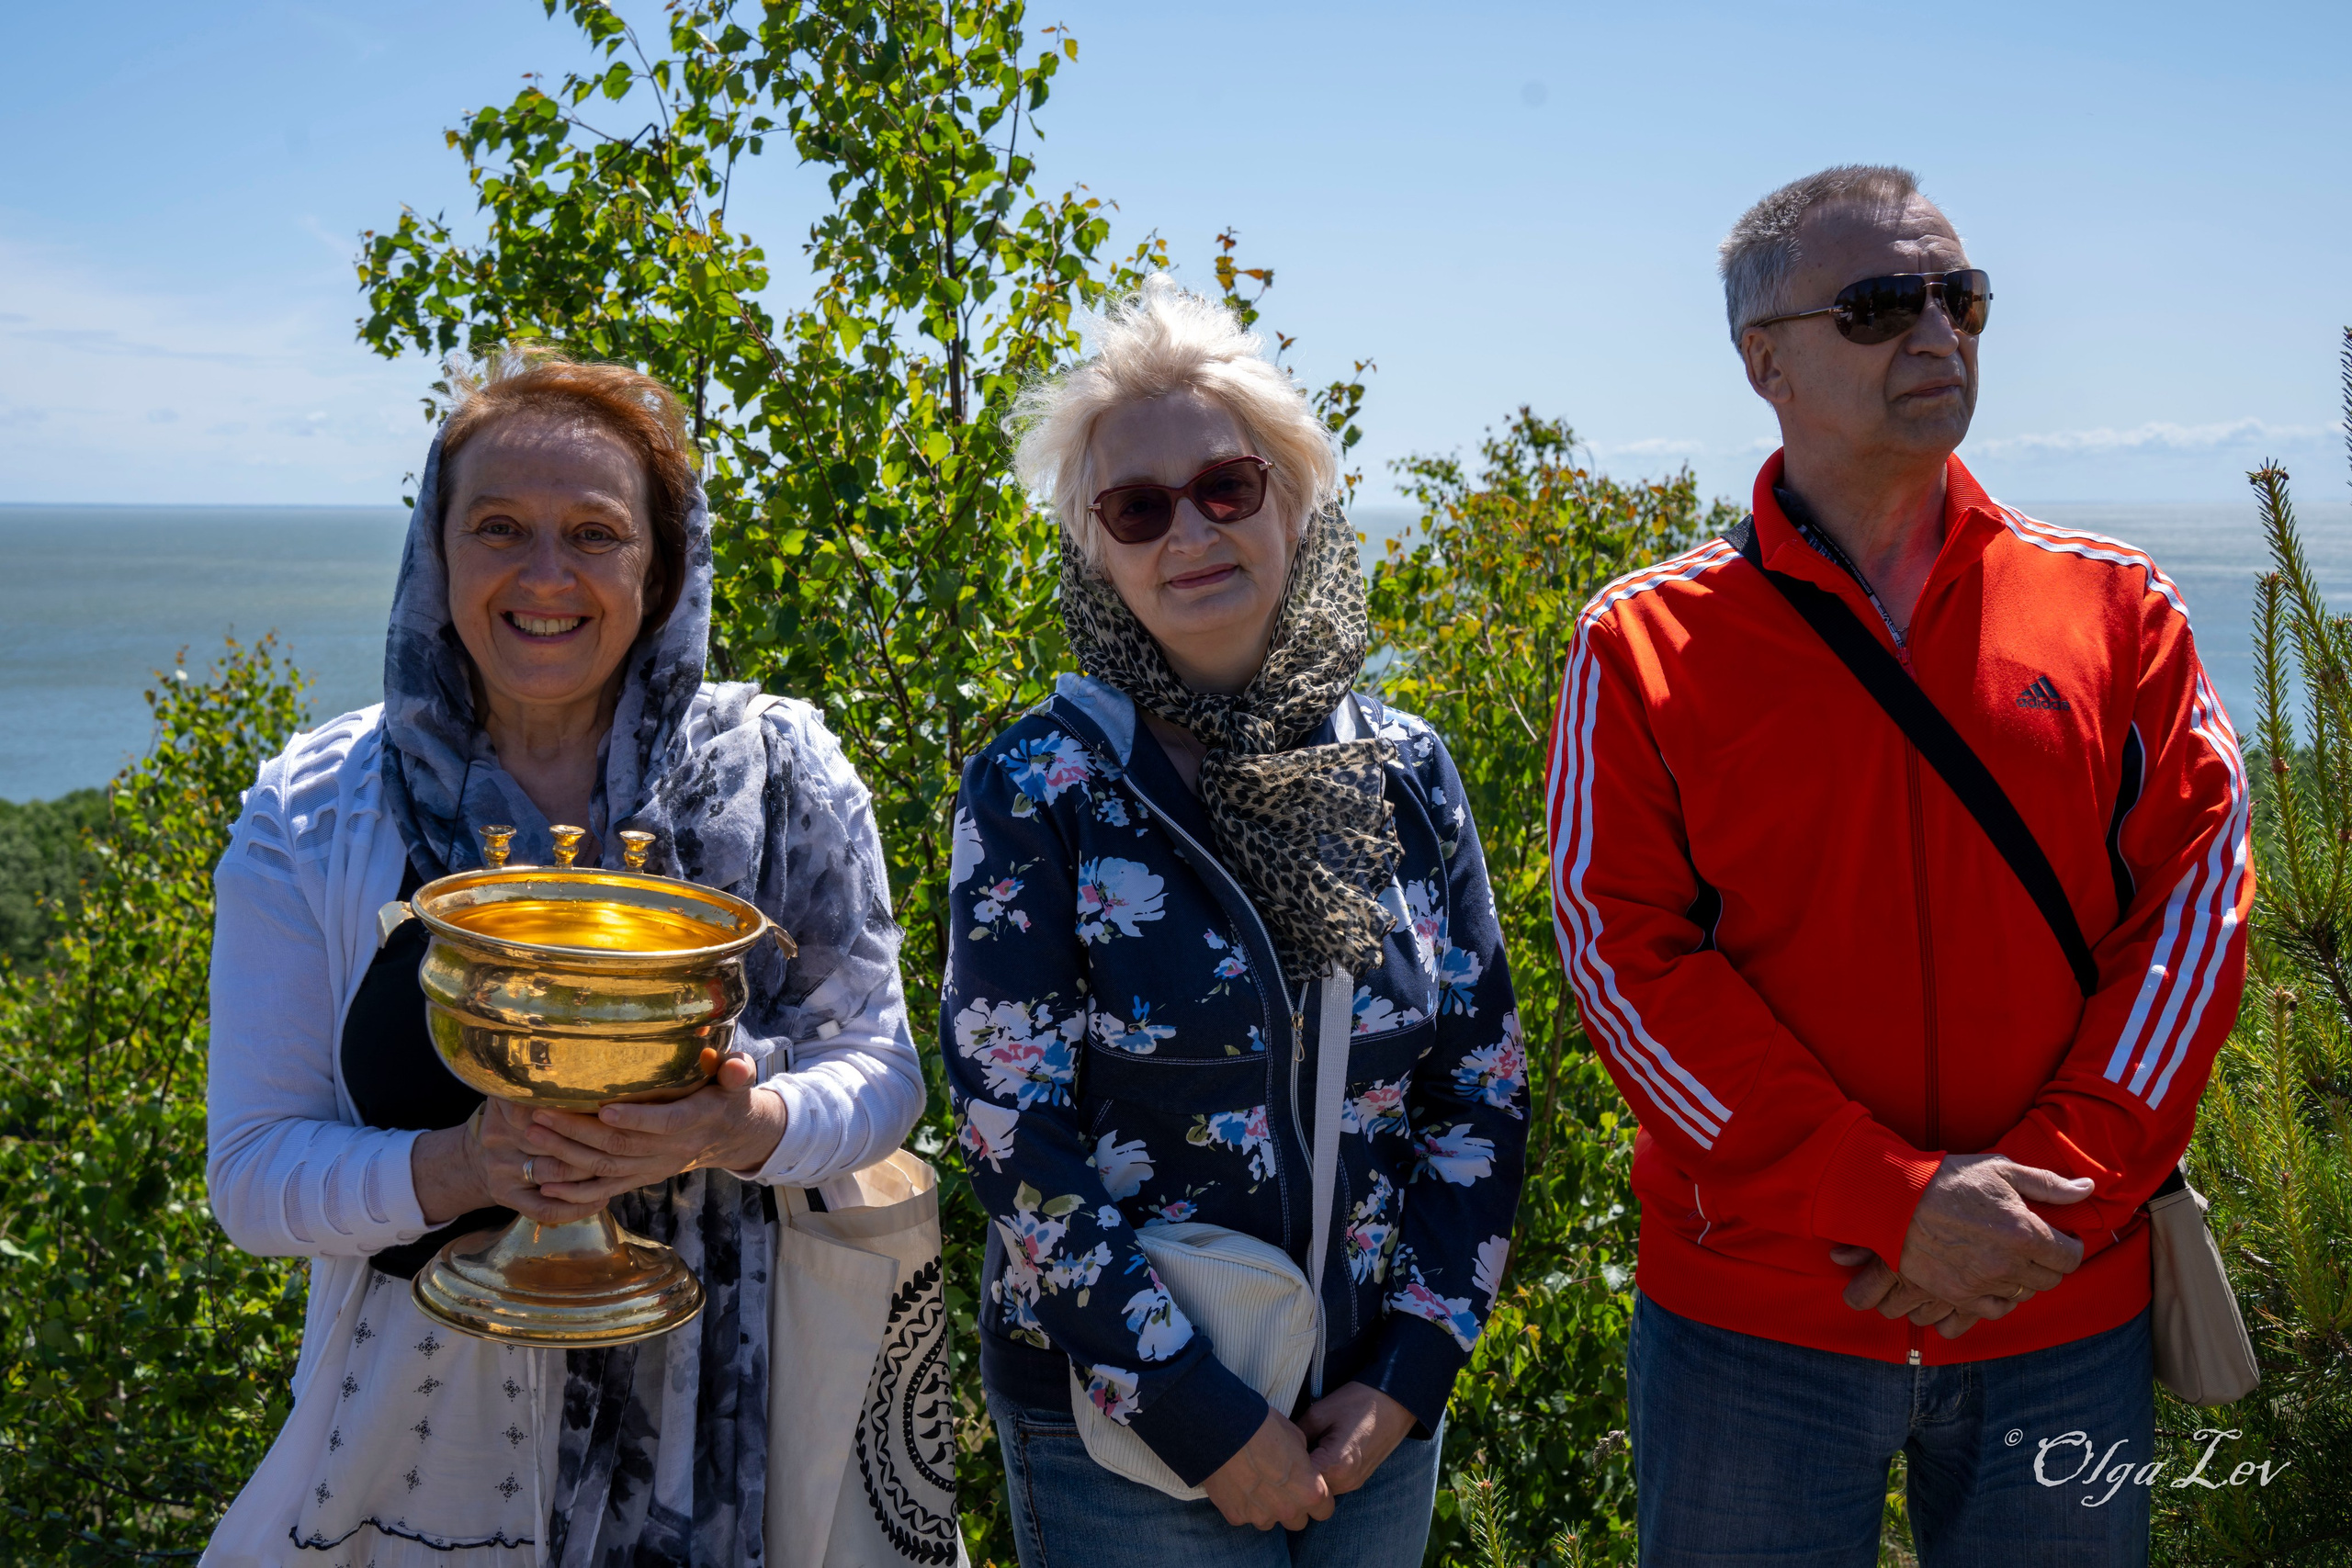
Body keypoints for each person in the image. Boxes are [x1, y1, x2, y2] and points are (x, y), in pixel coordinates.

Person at [1546, 164, 2251, 1565]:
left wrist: (2039, 1201)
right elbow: (1626, 963)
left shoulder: (2117, 611)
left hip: (2060, 1298)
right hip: (1758, 1325)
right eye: (1880, 305)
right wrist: (1894, 1199)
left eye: (1961, 298)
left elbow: (2194, 917)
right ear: (1767, 365)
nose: (1938, 335)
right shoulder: (1642, 645)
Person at [201, 349, 924, 1567]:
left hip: (737, 1405)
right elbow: (255, 1176)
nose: (547, 576)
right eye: (499, 528)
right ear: (439, 551)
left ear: (663, 565)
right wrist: (469, 1166)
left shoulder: (788, 777)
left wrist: (736, 1129)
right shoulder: (319, 807)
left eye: (594, 532)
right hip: (420, 1434)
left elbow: (884, 1072)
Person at [944, 276, 1528, 1565]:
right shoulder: (1043, 787)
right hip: (1121, 1428)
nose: (1189, 533)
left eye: (1227, 486)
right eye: (1137, 508)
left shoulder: (1405, 771)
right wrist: (1200, 1419)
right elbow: (1011, 1131)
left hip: (1366, 1410)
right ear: (1093, 550)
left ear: (1298, 496)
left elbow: (1478, 1092)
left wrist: (1409, 1375)